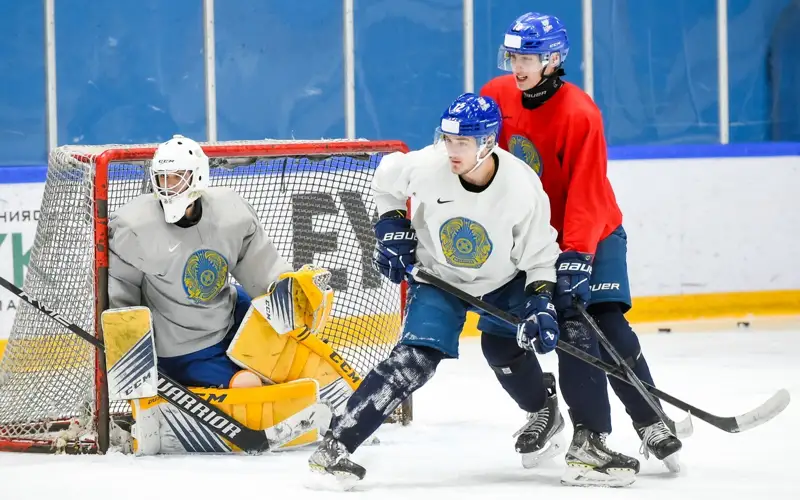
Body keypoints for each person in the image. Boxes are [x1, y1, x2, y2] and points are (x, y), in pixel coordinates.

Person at [308, 93, 565, 485]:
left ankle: (543, 409)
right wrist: (392, 225)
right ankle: (336, 446)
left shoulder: (521, 187)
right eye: (447, 139)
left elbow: (540, 257)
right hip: (438, 278)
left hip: (504, 281)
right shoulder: (429, 164)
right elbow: (385, 182)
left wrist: (541, 304)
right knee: (413, 357)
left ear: (488, 142)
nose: (452, 150)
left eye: (462, 142)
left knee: (502, 351)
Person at [480, 12, 682, 485]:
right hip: (528, 240)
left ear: (553, 60)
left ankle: (650, 420)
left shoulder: (579, 112)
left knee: (599, 324)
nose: (518, 65)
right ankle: (542, 410)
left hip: (592, 231)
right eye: (513, 54)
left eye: (527, 56)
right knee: (498, 339)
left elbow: (587, 191)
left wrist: (576, 253)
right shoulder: (496, 95)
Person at [107, 134, 295, 389]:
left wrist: (289, 291)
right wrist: (129, 360)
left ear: (197, 175)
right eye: (162, 177)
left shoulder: (230, 212)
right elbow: (120, 299)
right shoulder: (134, 227)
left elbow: (261, 268)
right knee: (249, 384)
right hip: (180, 346)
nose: (168, 185)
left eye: (177, 176)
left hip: (227, 313)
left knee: (289, 349)